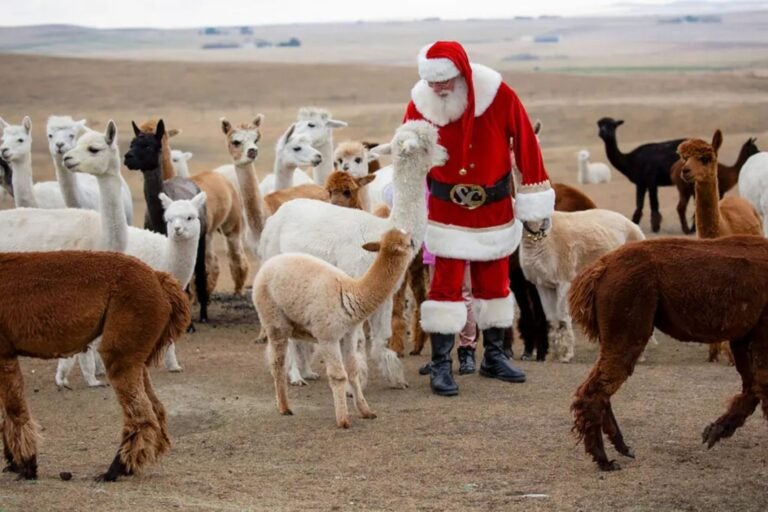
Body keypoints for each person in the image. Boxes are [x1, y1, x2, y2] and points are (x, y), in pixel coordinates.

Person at [404, 41, 554, 396]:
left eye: (444, 81)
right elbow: (406, 151)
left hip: (493, 208)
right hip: (446, 210)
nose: (438, 88)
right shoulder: (420, 103)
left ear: (461, 73)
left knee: (495, 285)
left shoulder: (499, 95)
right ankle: (442, 365)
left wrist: (533, 196)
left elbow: (527, 142)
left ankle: (494, 357)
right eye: (432, 82)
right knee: (444, 289)